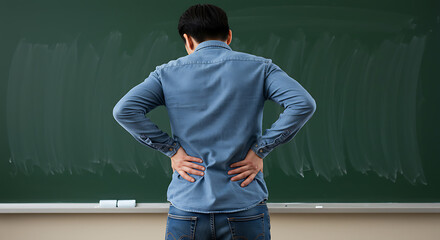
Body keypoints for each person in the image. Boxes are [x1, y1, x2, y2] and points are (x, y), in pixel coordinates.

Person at [112, 3, 316, 240]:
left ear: (188, 40)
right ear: (229, 36)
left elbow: (124, 110)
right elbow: (303, 103)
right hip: (244, 205)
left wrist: (172, 151)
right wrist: (260, 150)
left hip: (187, 207)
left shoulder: (166, 74)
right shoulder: (261, 68)